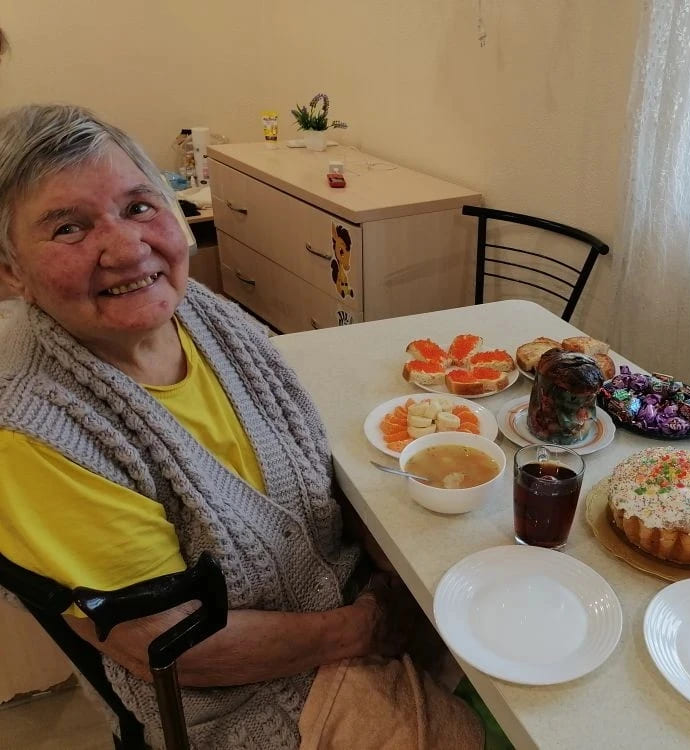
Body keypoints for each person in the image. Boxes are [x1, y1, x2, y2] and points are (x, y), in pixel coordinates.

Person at [0, 104, 485, 750]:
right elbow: (175, 646)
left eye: (139, 207)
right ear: (11, 270)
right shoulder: (35, 432)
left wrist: (393, 577)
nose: (128, 248)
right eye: (68, 228)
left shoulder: (197, 310)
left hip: (337, 597)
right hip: (247, 696)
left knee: (506, 636)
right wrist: (367, 627)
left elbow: (305, 460)